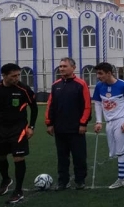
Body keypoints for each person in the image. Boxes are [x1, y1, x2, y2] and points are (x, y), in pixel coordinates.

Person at [0, 63, 38, 204]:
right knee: (0, 157)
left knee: (18, 158)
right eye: (13, 76)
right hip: (1, 127)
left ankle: (18, 190)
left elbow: (34, 108)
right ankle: (6, 179)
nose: (17, 78)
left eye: (18, 75)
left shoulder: (23, 89)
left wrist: (31, 126)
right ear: (4, 75)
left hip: (19, 127)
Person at [45, 57, 91, 190]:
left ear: (73, 68)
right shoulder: (56, 85)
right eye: (60, 66)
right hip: (60, 128)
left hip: (76, 129)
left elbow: (87, 106)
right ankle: (63, 181)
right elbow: (50, 106)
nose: (62, 69)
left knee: (79, 157)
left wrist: (83, 123)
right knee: (62, 158)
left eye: (64, 66)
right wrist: (49, 123)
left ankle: (80, 180)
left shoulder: (81, 84)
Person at [92, 63, 124, 189]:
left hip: (121, 120)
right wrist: (99, 121)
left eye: (100, 73)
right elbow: (98, 104)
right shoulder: (99, 86)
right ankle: (121, 178)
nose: (98, 76)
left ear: (109, 73)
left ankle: (121, 179)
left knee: (121, 151)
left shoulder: (123, 85)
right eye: (97, 73)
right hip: (109, 122)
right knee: (114, 152)